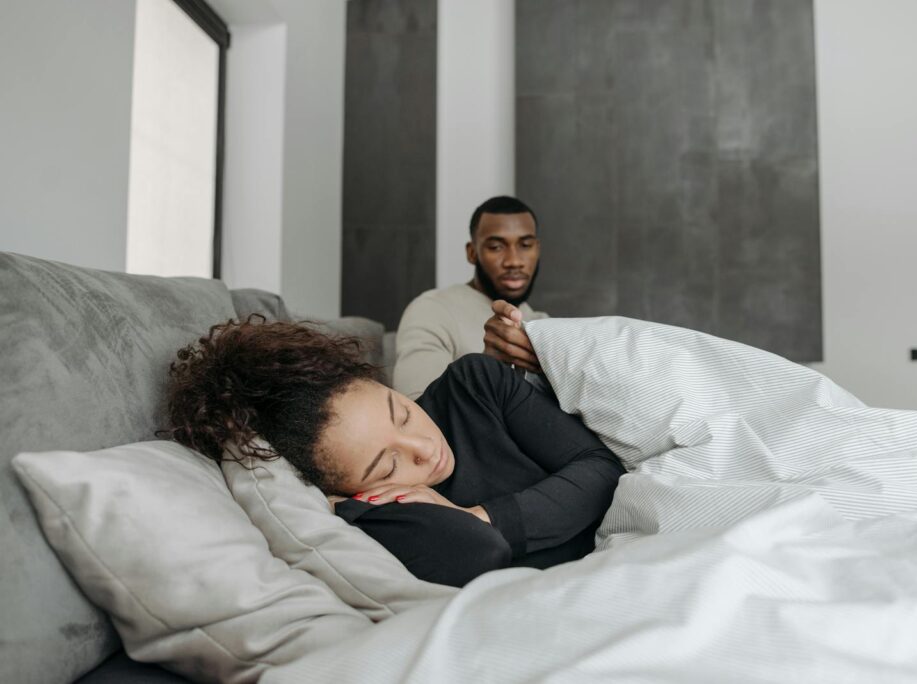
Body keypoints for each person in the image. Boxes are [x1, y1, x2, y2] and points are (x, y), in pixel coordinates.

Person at [164, 317, 624, 588]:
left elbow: (602, 469)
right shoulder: (375, 511)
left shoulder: (475, 386)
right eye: (389, 465)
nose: (424, 449)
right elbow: (475, 552)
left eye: (401, 413)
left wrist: (482, 514)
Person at [393, 196, 548, 400]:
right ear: (472, 253)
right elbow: (416, 410)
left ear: (537, 248)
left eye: (525, 245)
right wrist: (484, 369)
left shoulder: (543, 323)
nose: (514, 261)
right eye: (496, 247)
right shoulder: (432, 309)